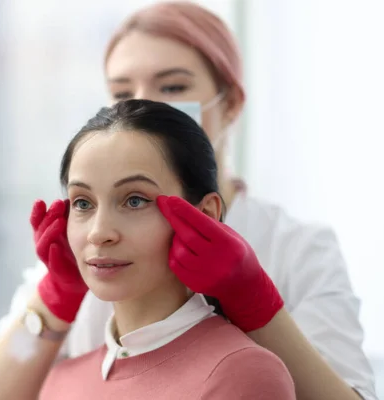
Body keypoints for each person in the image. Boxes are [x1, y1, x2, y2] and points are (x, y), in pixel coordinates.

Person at [0, 2, 376, 400]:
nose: (144, 105)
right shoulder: (90, 246)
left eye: (172, 87)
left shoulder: (297, 249)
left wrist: (256, 308)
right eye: (121, 92)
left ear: (232, 102)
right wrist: (52, 302)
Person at [38, 99, 295, 399]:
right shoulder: (61, 381)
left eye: (135, 200)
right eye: (83, 203)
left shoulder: (242, 375)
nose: (99, 233)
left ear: (206, 215)